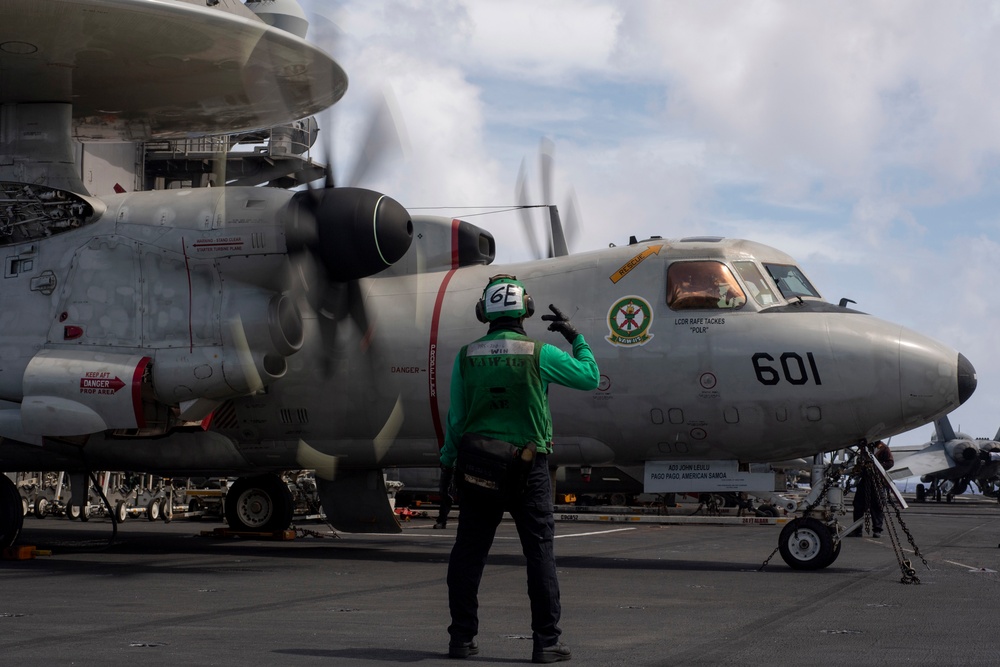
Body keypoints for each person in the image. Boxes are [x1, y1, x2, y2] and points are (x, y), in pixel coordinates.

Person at [440, 274, 599, 663]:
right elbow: (589, 377)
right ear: (526, 308)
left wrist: (448, 466)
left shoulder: (466, 356)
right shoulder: (538, 352)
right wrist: (575, 337)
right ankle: (546, 642)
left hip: (477, 468)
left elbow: (456, 422)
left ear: (484, 311)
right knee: (539, 553)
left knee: (467, 555)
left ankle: (462, 639)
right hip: (529, 468)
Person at [851, 440, 894, 537]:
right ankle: (857, 530)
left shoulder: (883, 448)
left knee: (877, 505)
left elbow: (890, 463)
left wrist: (876, 467)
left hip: (877, 480)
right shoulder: (865, 448)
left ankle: (877, 530)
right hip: (865, 479)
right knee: (858, 504)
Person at [434, 465, 454, 529]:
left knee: (445, 495)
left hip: (451, 468)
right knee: (444, 495)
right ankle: (441, 521)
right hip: (447, 468)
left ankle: (442, 521)